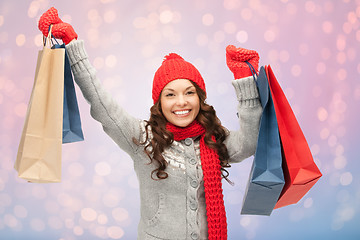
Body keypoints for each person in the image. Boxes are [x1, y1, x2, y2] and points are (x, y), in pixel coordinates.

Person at [38, 7, 262, 240]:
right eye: (170, 95)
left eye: (189, 92)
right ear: (159, 102)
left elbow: (249, 142)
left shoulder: (213, 137)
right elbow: (101, 104)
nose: (181, 102)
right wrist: (73, 46)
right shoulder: (143, 138)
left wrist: (245, 81)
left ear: (200, 97)